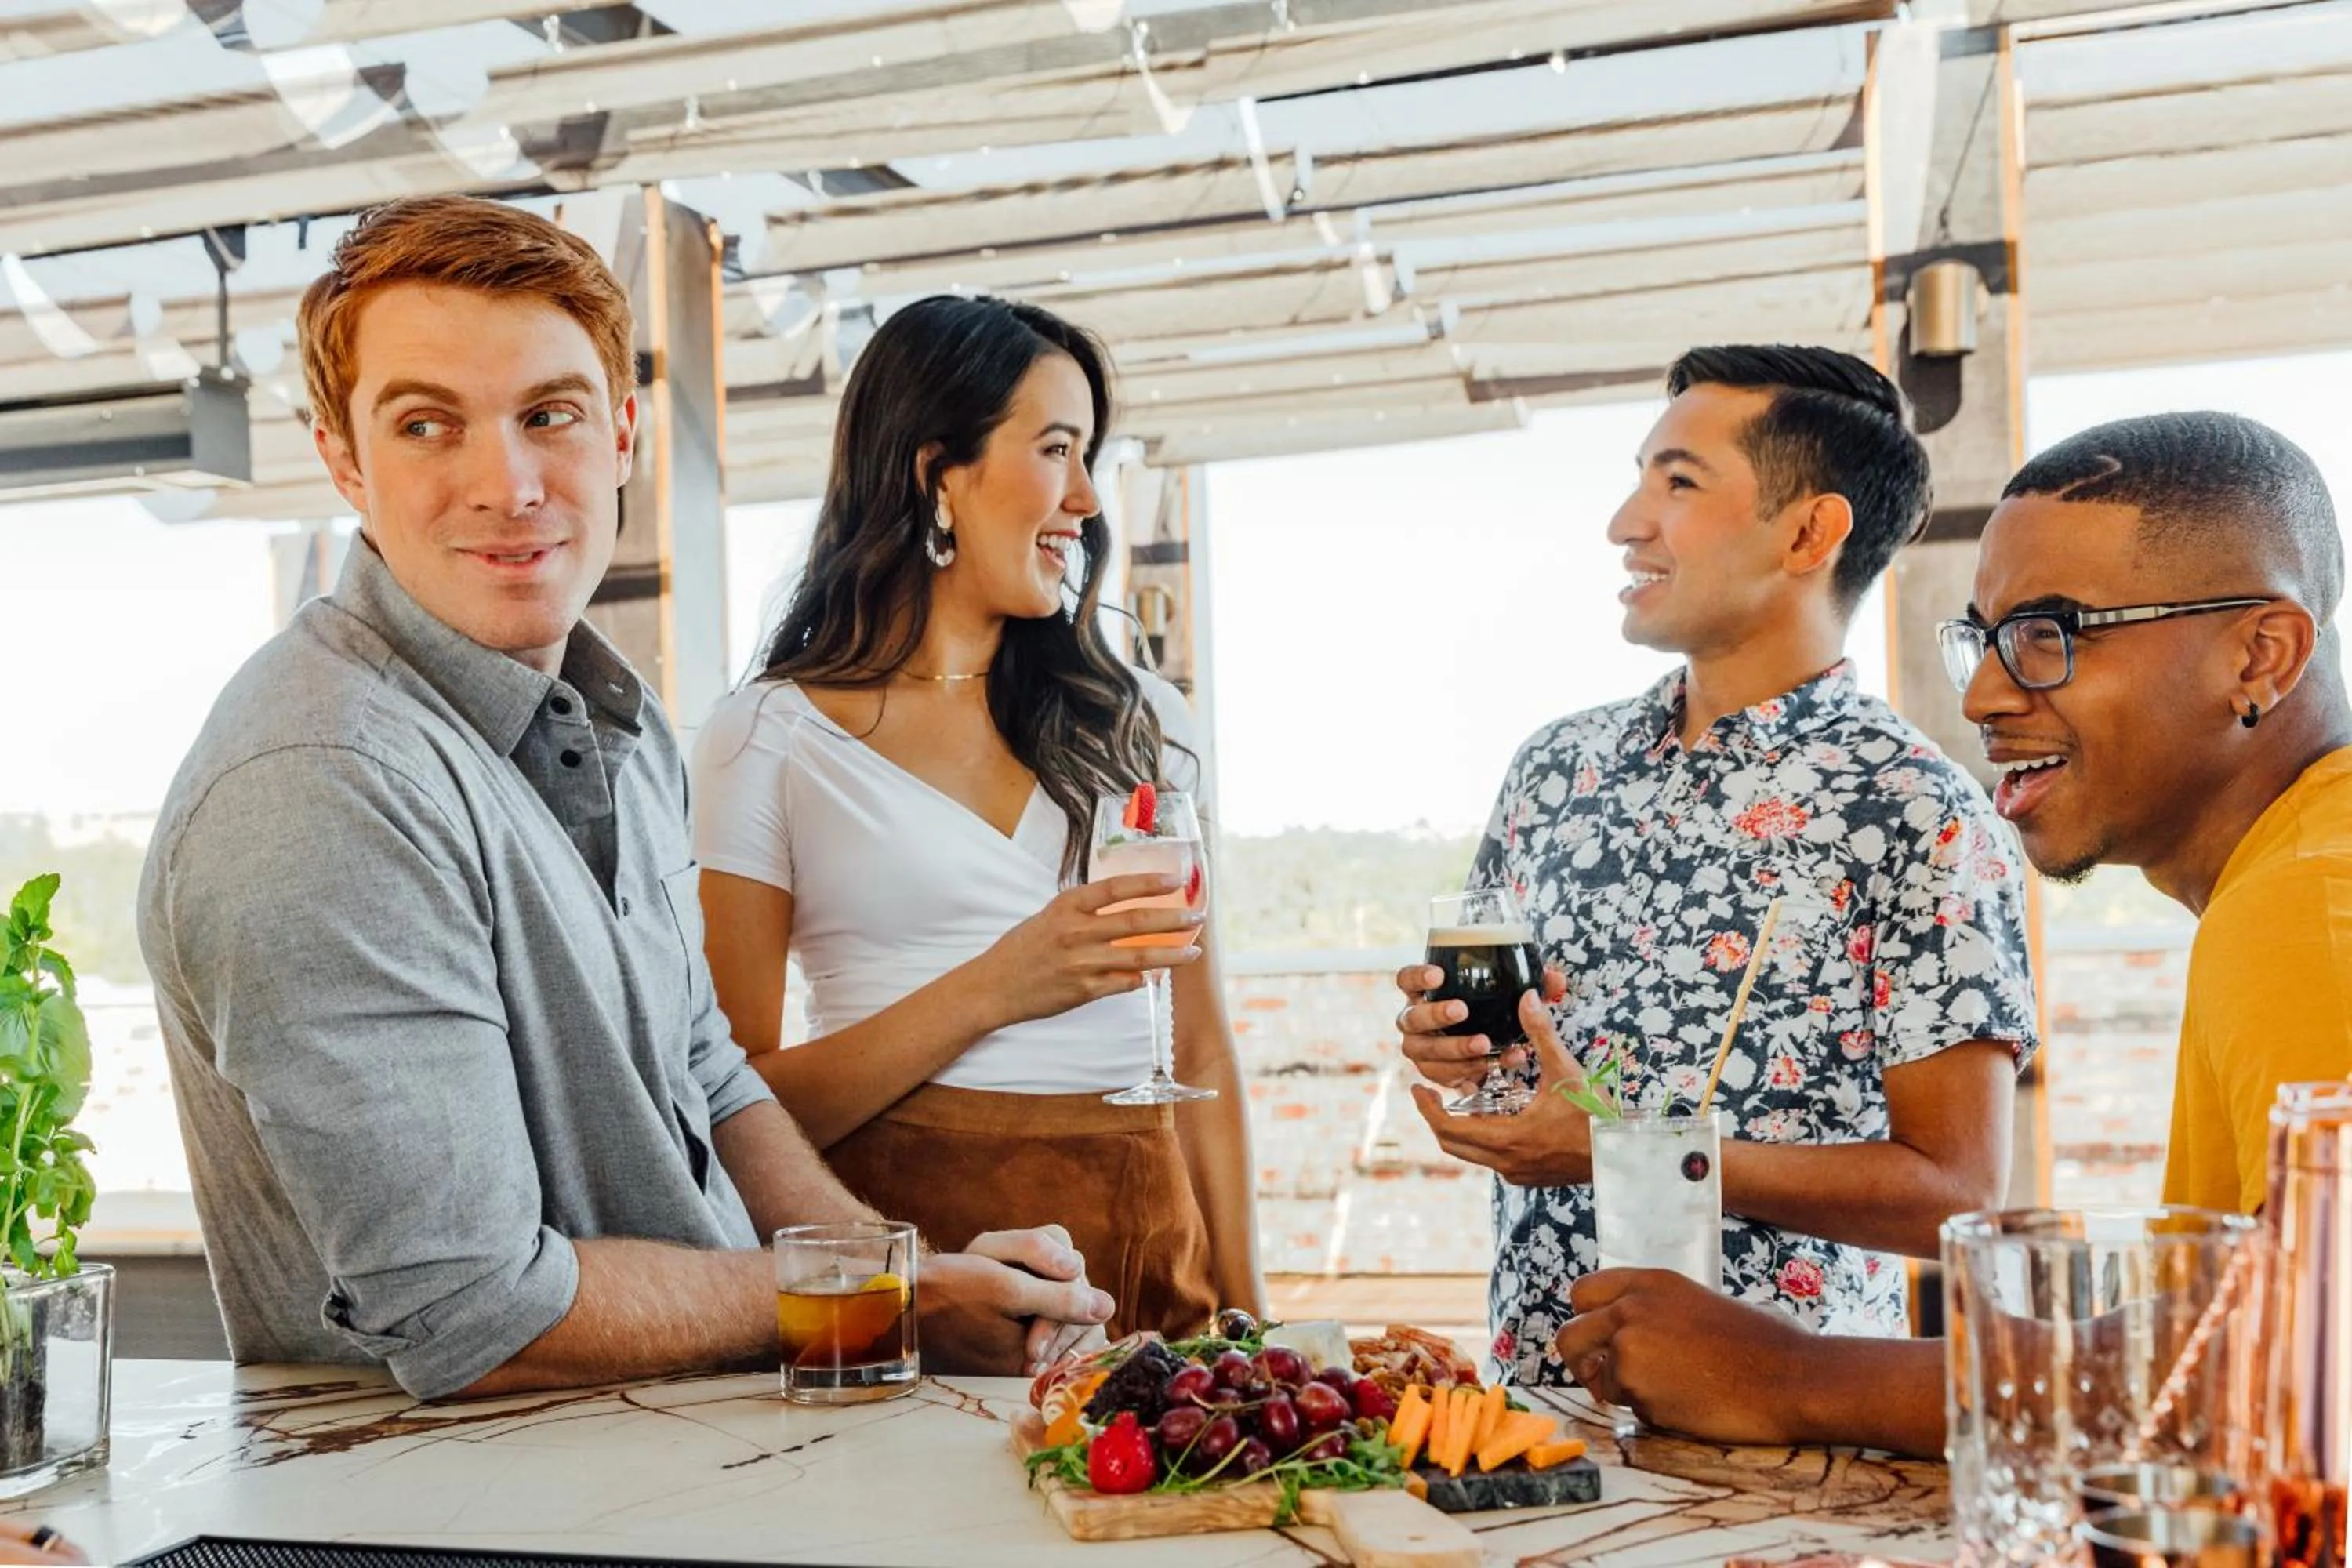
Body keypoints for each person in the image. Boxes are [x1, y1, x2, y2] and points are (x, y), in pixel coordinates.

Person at [136, 197, 1112, 1402]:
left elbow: (709, 1070)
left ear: (623, 437)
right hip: (451, 1494)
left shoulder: (625, 723)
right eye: (427, 425)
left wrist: (891, 1272)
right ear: (345, 462)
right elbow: (478, 1313)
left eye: (550, 415)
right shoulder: (320, 785)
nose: (508, 484)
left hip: (681, 1453)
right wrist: (879, 1301)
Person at [1555, 410, 2352, 1455]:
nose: (1981, 695)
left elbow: (2305, 1360)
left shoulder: (2312, 901)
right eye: (1984, 638)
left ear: (2260, 654)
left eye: (2048, 635)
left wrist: (1788, 1375)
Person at [1392, 345, 2039, 1385]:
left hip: (1785, 1428)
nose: (1625, 523)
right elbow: (1518, 1061)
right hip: (1536, 1402)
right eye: (1640, 478)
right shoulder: (1555, 768)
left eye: (1679, 483)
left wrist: (1624, 1151)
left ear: (1809, 533)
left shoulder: (1917, 810)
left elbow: (1955, 1195)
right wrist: (1465, 1053)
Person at [691, 295, 1261, 1338]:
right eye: (1057, 450)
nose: (1087, 499)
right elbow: (730, 1110)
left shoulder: (1142, 722)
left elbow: (1202, 1056)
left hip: (1145, 1260)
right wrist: (998, 986)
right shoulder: (766, 737)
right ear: (937, 474)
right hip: (912, 1264)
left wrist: (1253, 1325)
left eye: (1090, 456)